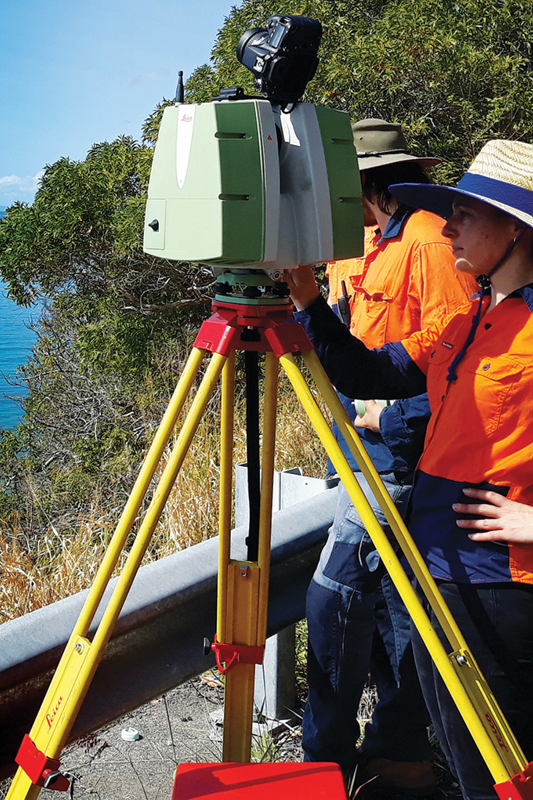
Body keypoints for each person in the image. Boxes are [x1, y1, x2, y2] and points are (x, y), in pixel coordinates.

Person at [286, 138, 533, 800]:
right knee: (462, 748)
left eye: (467, 216)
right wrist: (308, 302)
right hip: (442, 569)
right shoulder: (476, 316)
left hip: (505, 585)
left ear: (516, 228)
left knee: (507, 769)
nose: (448, 226)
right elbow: (377, 370)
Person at [301, 119, 477, 792]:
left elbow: (457, 361)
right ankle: (395, 752)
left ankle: (344, 756)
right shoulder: (375, 241)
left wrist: (397, 417)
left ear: (362, 184)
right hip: (361, 442)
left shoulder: (431, 246)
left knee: (340, 594)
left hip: (400, 454)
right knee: (389, 610)